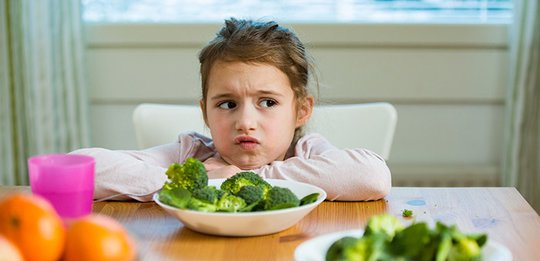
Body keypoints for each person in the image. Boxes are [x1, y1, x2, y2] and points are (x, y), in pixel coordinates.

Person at [72, 18, 391, 202]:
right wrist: (196, 183)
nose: (245, 122)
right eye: (227, 104)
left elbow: (372, 176)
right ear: (205, 112)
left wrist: (249, 179)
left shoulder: (306, 152)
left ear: (301, 110)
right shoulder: (193, 155)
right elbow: (81, 170)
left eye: (267, 102)